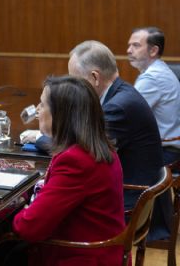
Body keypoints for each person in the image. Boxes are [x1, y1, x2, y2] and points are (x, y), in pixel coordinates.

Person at [32, 40, 169, 240]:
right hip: (126, 191)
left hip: (128, 201)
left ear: (94, 77)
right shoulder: (120, 94)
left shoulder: (118, 107)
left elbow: (80, 150)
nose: (71, 87)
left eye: (74, 80)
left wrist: (41, 136)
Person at [11, 76, 126, 265]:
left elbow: (28, 228)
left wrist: (24, 212)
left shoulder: (76, 160)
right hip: (106, 252)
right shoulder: (98, 146)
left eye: (42, 104)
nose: (38, 110)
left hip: (82, 257)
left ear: (61, 114)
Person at [127, 27, 180, 165]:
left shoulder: (153, 78)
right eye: (129, 45)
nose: (129, 50)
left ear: (153, 50)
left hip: (164, 153)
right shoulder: (158, 70)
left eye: (136, 45)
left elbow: (126, 114)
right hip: (166, 149)